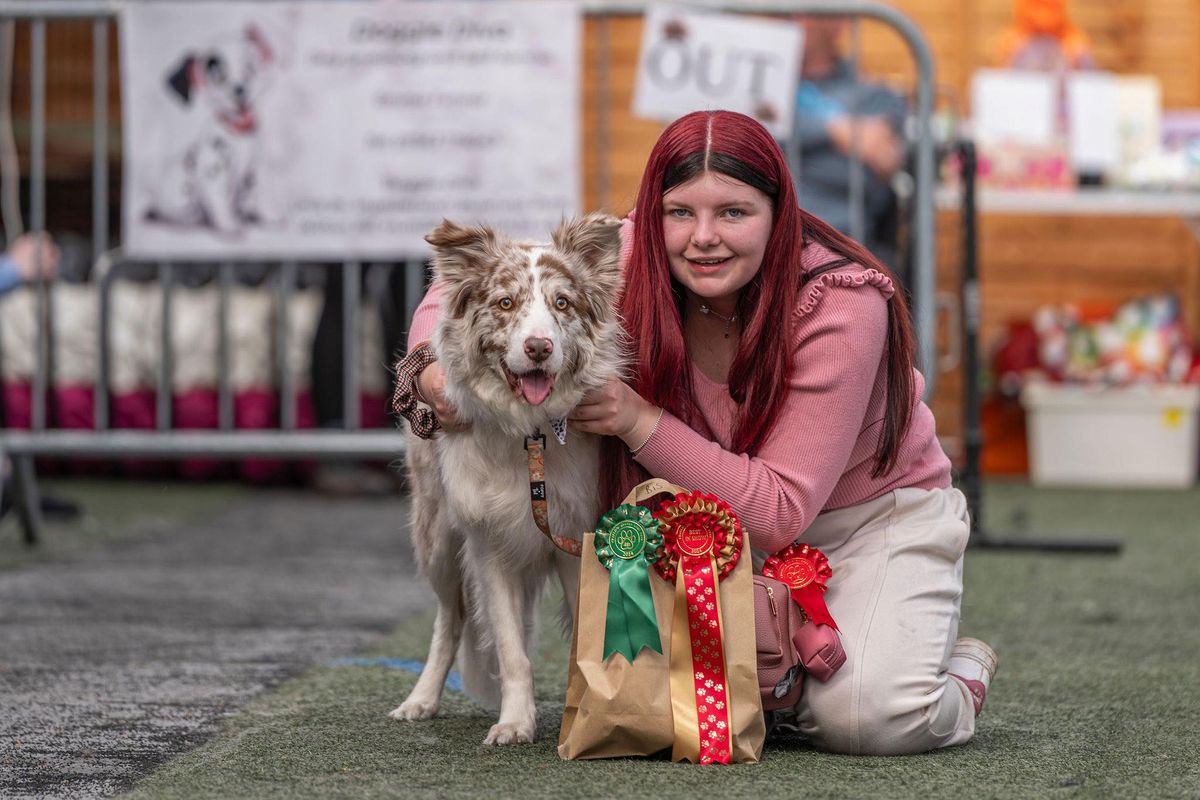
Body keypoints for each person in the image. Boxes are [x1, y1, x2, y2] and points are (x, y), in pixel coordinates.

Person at [397, 110, 997, 756]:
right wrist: (432, 375)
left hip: (858, 524)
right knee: (655, 708)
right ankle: (788, 680)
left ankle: (950, 672)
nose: (703, 238)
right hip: (696, 528)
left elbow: (777, 512)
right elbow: (470, 284)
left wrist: (637, 420)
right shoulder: (636, 254)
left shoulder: (844, 304)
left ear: (779, 210)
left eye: (734, 213)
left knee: (869, 718)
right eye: (679, 212)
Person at [789, 14, 906, 271]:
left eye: (803, 11)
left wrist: (791, 136)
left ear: (837, 21)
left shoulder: (874, 95)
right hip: (764, 242)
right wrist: (835, 129)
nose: (789, 18)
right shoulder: (757, 88)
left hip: (847, 246)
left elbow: (886, 160)